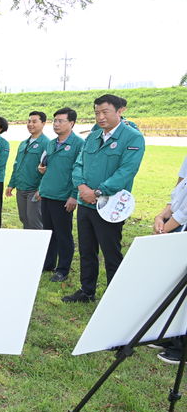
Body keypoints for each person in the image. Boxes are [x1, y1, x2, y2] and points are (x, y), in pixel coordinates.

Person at [63, 94, 146, 303]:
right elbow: (79, 164)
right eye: (97, 112)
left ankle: (115, 297)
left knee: (111, 252)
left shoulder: (132, 137)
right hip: (85, 203)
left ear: (119, 111)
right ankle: (87, 291)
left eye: (105, 112)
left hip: (110, 205)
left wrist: (98, 192)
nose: (100, 117)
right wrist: (81, 187)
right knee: (86, 250)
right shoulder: (92, 136)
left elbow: (126, 171)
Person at [36, 108, 85, 283]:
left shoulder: (79, 144)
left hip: (63, 197)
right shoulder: (51, 143)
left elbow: (80, 171)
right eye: (55, 121)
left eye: (60, 121)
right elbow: (47, 167)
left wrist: (74, 195)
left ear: (71, 123)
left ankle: (62, 269)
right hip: (48, 193)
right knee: (48, 232)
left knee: (63, 234)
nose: (56, 124)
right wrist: (42, 188)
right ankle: (48, 263)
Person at [151, 163, 187, 364]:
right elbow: (179, 193)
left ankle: (182, 346)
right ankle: (170, 334)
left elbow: (184, 212)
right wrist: (161, 215)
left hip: (181, 226)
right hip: (176, 225)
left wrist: (165, 228)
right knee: (174, 283)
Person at [6, 111, 49, 229]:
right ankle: (28, 246)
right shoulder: (23, 144)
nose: (30, 124)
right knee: (24, 219)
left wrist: (41, 189)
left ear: (43, 123)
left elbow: (48, 170)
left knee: (34, 222)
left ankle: (38, 246)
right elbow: (17, 165)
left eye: (34, 121)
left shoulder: (47, 144)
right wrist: (11, 184)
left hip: (34, 190)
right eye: (29, 121)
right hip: (21, 188)